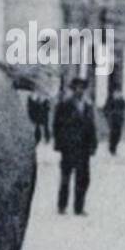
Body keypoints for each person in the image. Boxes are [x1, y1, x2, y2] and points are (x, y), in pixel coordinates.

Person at [53, 76, 98, 215]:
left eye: (82, 88)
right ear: (73, 89)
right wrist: (59, 144)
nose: (80, 90)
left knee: (83, 178)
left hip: (84, 148)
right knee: (66, 177)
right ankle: (62, 205)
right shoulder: (65, 105)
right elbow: (57, 125)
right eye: (77, 87)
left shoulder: (88, 106)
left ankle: (79, 207)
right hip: (69, 147)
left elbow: (91, 127)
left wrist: (93, 144)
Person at [102, 90, 125, 156]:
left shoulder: (122, 101)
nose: (118, 95)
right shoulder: (110, 101)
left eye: (119, 94)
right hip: (113, 121)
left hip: (119, 121)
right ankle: (112, 149)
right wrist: (108, 117)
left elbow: (124, 107)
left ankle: (114, 148)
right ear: (114, 94)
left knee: (118, 135)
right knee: (113, 135)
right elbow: (105, 110)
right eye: (116, 94)